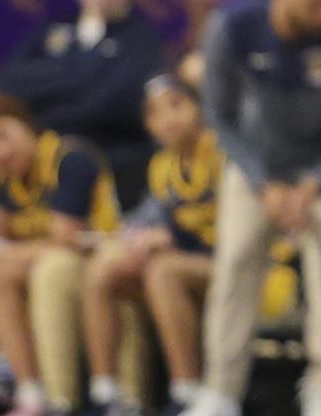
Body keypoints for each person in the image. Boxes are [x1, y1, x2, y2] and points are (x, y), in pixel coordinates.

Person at [187, 0, 321, 416]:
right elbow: (220, 118)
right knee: (235, 261)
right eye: (314, 3)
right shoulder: (233, 28)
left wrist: (315, 184)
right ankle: (221, 389)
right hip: (261, 163)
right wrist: (263, 182)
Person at [80, 75, 225, 416]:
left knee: (162, 269)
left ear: (200, 107)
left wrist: (171, 238)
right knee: (104, 267)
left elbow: (239, 232)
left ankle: (187, 392)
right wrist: (124, 240)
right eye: (154, 113)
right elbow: (143, 222)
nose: (167, 119)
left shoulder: (223, 151)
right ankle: (106, 394)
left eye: (176, 105)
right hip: (196, 267)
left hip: (255, 270)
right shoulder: (162, 166)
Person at [0, 94, 121, 416]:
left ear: (26, 124)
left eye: (2, 135)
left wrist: (2, 254)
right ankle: (28, 393)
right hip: (44, 260)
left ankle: (60, 399)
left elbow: (65, 240)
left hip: (97, 256)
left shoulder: (68, 158)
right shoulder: (8, 180)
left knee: (48, 268)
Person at [0, 0, 167, 207]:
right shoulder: (53, 28)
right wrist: (84, 72)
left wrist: (51, 91)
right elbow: (10, 81)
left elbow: (110, 106)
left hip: (106, 167)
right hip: (38, 163)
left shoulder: (144, 39)